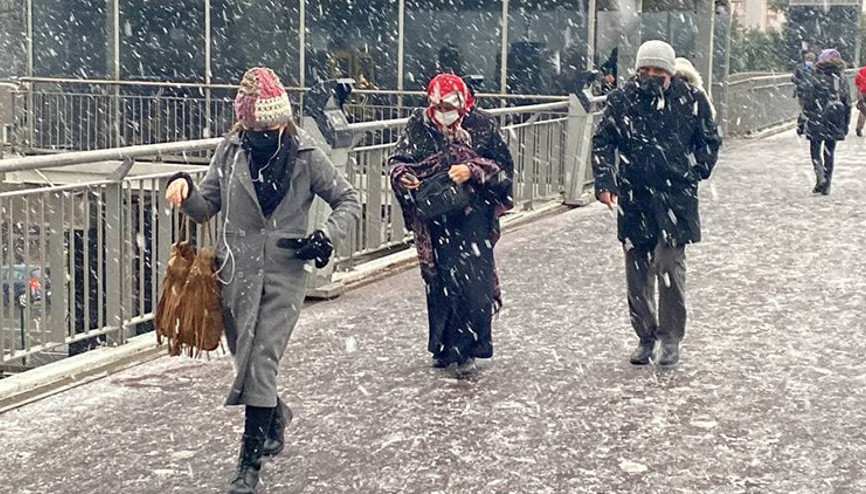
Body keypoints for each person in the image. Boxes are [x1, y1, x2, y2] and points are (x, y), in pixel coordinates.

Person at [164, 67, 360, 493]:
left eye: (274, 124)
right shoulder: (232, 150)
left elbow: (348, 198)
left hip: (286, 274)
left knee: (262, 362)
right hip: (234, 274)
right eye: (258, 125)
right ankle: (276, 415)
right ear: (244, 122)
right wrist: (184, 188)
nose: (266, 131)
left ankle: (247, 466)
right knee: (245, 359)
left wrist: (326, 235)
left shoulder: (306, 153)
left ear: (284, 119)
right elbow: (205, 208)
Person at [591, 40, 721, 367]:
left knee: (668, 267)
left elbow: (709, 139)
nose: (650, 74)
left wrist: (694, 170)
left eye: (658, 69)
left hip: (675, 197)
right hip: (635, 198)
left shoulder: (691, 99)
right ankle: (645, 335)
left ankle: (671, 337)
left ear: (670, 71)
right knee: (636, 274)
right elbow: (603, 141)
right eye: (645, 69)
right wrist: (605, 181)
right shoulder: (622, 100)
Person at [389, 73, 514, 371]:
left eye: (451, 108)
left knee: (472, 280)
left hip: (474, 214)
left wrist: (473, 169)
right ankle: (444, 345)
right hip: (436, 216)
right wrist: (403, 175)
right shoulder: (419, 124)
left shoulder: (481, 124)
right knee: (440, 280)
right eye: (438, 109)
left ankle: (468, 346)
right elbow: (398, 159)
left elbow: (504, 170)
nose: (445, 116)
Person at [797, 49, 851, 195]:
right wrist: (846, 123)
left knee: (815, 149)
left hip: (817, 117)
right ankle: (827, 183)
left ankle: (819, 176)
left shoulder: (815, 76)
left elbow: (808, 100)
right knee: (830, 152)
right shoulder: (842, 78)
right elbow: (847, 103)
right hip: (835, 118)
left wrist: (803, 119)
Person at [854, 63, 866, 137]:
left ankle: (859, 127)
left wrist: (859, 89)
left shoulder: (862, 70)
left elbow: (857, 81)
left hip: (863, 92)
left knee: (863, 110)